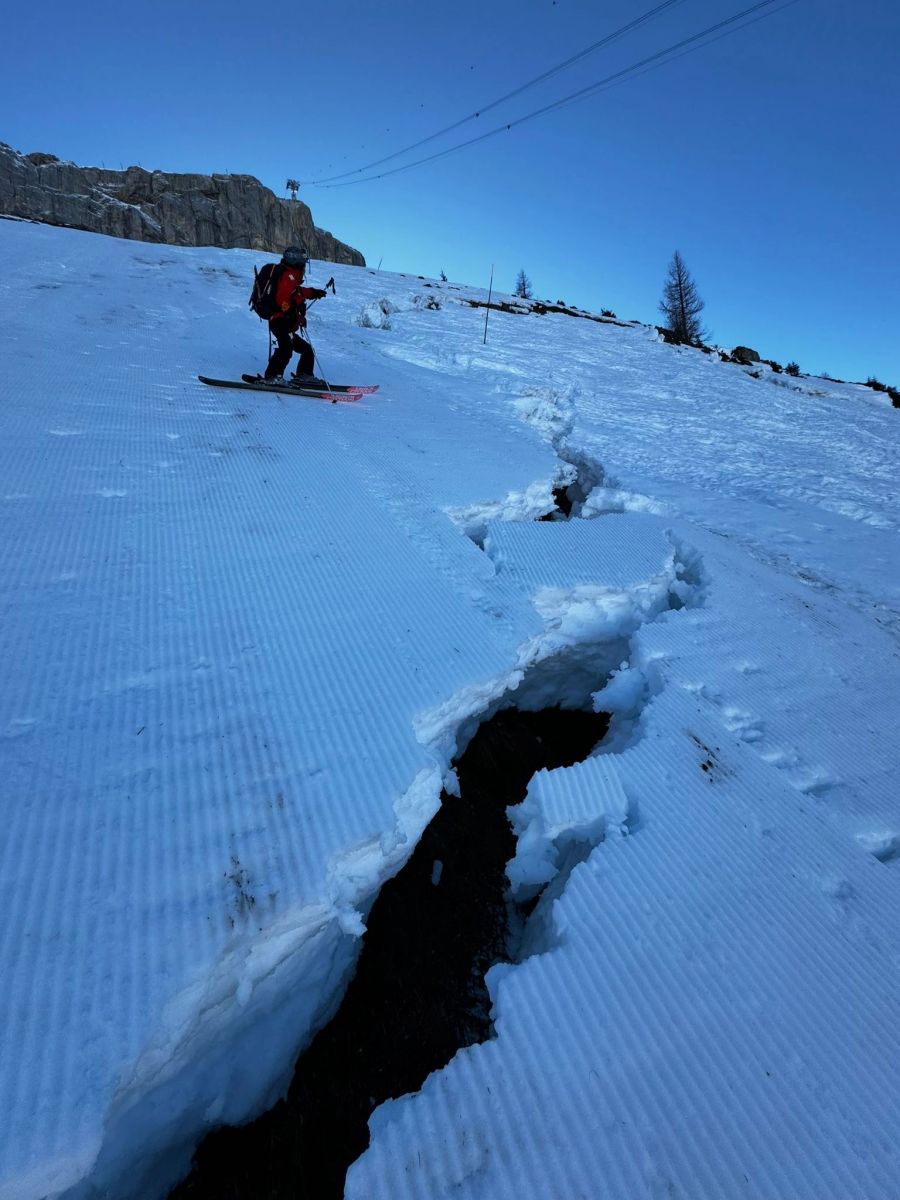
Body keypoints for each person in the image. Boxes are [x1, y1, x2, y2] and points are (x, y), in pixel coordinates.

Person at [262, 245, 328, 383]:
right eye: (303, 261)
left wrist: (314, 292)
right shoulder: (288, 276)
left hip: (284, 322)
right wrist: (294, 314)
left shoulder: (292, 277)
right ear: (296, 260)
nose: (305, 265)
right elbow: (282, 299)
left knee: (306, 349)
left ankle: (304, 375)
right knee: (286, 348)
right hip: (280, 321)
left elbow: (299, 292)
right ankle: (272, 376)